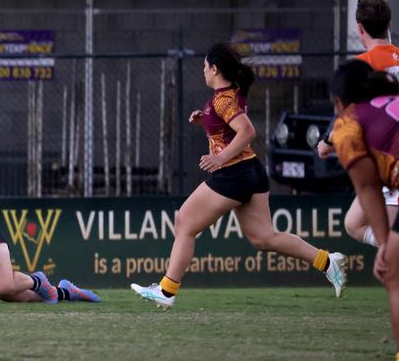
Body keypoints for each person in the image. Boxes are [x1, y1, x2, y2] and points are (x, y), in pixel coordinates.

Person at [130, 43, 347, 309]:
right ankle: (326, 261)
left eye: (205, 67)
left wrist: (220, 158)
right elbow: (231, 126)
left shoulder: (222, 99)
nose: (203, 72)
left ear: (215, 68)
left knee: (185, 221)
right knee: (263, 238)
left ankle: (167, 290)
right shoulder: (231, 93)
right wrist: (207, 122)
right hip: (251, 171)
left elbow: (247, 130)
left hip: (233, 173)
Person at [329, 59, 399, 361]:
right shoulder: (393, 101)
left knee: (393, 274)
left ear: (339, 101)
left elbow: (368, 188)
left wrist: (384, 246)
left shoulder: (348, 125)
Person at [317, 0, 398, 248]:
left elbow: (349, 115)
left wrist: (327, 141)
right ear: (389, 24)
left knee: (388, 238)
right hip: (387, 159)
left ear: (359, 28)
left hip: (389, 156)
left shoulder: (359, 69)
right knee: (354, 222)